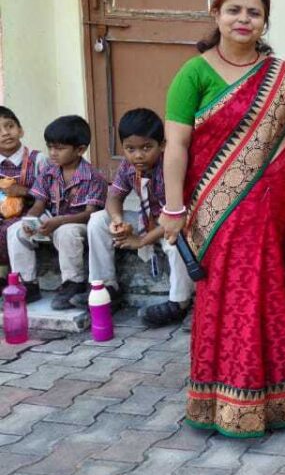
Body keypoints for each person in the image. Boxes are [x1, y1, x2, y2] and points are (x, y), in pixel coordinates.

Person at [161, 0, 285, 438]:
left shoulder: (284, 78)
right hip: (216, 206)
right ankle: (221, 400)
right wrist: (173, 208)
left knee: (268, 292)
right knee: (223, 294)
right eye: (234, 10)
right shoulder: (194, 73)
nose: (243, 20)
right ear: (216, 15)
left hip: (273, 203)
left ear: (265, 21)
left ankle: (276, 399)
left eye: (254, 12)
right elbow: (176, 145)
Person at [86, 108, 193, 326]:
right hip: (148, 219)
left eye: (146, 147)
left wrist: (142, 240)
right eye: (130, 149)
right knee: (98, 220)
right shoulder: (128, 166)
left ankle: (180, 302)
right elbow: (114, 197)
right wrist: (118, 221)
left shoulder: (171, 165)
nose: (138, 155)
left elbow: (175, 217)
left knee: (176, 244)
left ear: (162, 145)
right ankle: (105, 287)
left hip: (175, 223)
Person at [7, 115, 107, 309]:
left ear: (80, 150)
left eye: (59, 148)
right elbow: (39, 203)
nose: (53, 153)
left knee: (66, 232)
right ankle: (27, 283)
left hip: (79, 224)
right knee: (16, 229)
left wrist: (60, 221)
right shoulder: (49, 172)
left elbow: (89, 214)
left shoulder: (93, 177)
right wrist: (31, 219)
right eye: (50, 147)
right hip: (51, 222)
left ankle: (73, 283)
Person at [0, 106, 44, 276]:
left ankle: (24, 281)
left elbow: (52, 195)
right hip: (3, 216)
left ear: (21, 130)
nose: (5, 133)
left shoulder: (38, 159)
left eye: (10, 126)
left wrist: (24, 191)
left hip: (34, 213)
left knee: (15, 230)